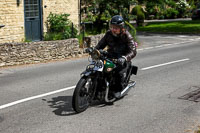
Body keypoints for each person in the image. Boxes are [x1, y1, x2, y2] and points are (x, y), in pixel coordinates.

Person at [95, 15, 137, 97]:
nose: (113, 30)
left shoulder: (127, 36)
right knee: (98, 68)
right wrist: (95, 50)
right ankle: (97, 88)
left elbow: (133, 51)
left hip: (122, 59)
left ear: (121, 28)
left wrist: (125, 58)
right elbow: (100, 45)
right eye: (112, 27)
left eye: (116, 28)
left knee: (118, 72)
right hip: (110, 56)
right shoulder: (108, 34)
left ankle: (118, 89)